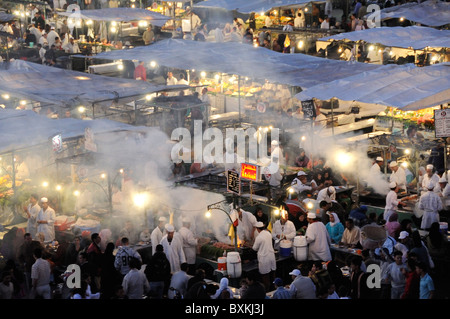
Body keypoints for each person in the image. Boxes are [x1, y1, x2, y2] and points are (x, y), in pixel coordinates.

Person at [252, 221, 276, 291]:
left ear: (257, 229)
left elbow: (254, 248)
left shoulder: (259, 237)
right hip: (271, 256)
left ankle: (267, 291)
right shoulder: (268, 233)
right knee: (272, 275)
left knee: (265, 276)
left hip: (264, 258)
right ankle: (274, 288)